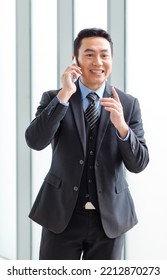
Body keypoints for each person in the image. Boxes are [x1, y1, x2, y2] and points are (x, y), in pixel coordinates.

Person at [25, 28, 149, 260]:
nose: (98, 62)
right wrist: (64, 96)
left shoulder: (128, 104)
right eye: (89, 54)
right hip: (61, 215)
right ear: (76, 60)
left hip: (109, 221)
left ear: (111, 59)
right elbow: (35, 141)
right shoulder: (54, 98)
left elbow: (139, 163)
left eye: (104, 55)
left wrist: (122, 127)